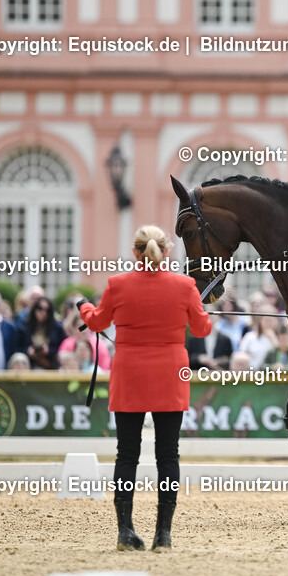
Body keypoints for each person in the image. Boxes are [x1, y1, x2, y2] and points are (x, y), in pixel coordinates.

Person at [78, 225, 212, 552]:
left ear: (135, 252)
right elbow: (201, 328)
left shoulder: (117, 284)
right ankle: (163, 535)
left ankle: (125, 530)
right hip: (170, 375)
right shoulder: (185, 286)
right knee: (168, 455)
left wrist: (83, 306)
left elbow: (96, 322)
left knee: (127, 454)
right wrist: (202, 311)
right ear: (167, 252)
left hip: (130, 375)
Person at [19, 296, 66, 370]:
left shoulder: (57, 327)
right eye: (39, 308)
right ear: (34, 309)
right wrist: (27, 350)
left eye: (47, 310)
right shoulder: (24, 326)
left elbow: (63, 347)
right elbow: (16, 347)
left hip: (50, 366)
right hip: (29, 366)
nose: (43, 312)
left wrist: (49, 350)